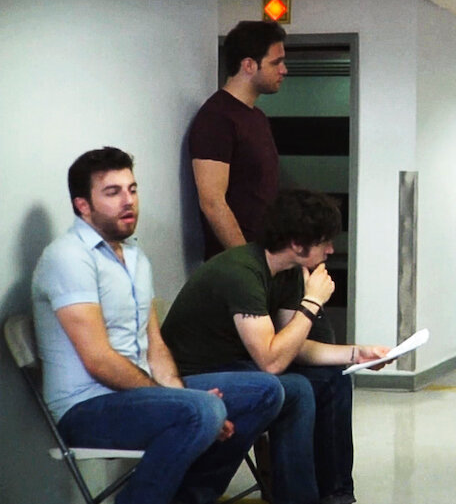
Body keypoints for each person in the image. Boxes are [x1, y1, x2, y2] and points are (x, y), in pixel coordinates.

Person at [31, 147, 284, 504]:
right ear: (82, 205)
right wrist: (181, 400)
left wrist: (177, 394)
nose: (128, 201)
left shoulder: (135, 256)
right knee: (203, 410)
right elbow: (98, 360)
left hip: (138, 396)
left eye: (132, 189)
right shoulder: (68, 257)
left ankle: (189, 498)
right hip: (86, 409)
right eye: (113, 192)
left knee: (265, 391)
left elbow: (155, 345)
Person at [162, 189, 390, 504]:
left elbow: (291, 345)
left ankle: (337, 496)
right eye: (324, 241)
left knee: (334, 379)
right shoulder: (242, 274)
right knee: (296, 389)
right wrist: (312, 302)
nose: (330, 249)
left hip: (240, 365)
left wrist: (356, 354)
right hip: (194, 375)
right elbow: (272, 362)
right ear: (297, 244)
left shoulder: (288, 272)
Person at [189, 20, 287, 260]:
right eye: (276, 62)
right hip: (235, 266)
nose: (284, 70)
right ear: (249, 65)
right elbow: (212, 202)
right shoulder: (217, 117)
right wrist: (247, 263)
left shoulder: (256, 116)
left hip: (264, 255)